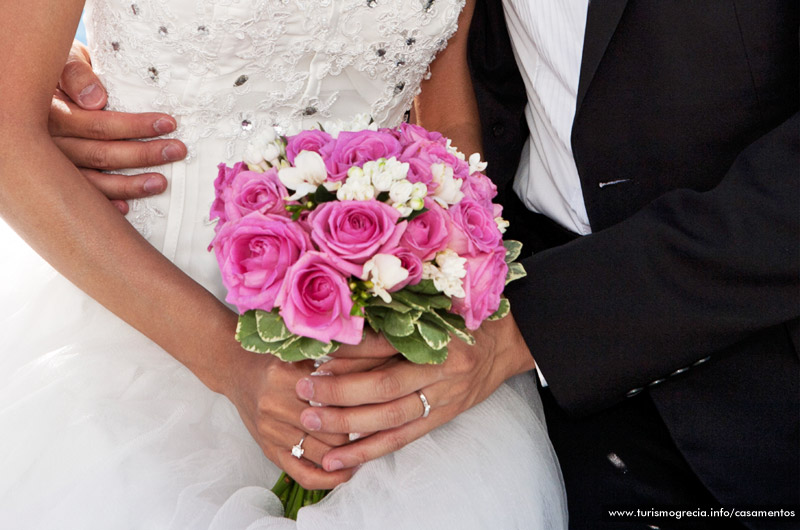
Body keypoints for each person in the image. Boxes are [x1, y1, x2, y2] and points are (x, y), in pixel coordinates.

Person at [0, 1, 568, 529]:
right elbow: (8, 132)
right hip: (128, 317)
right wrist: (230, 362)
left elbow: (443, 115)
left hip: (372, 340)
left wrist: (423, 276)